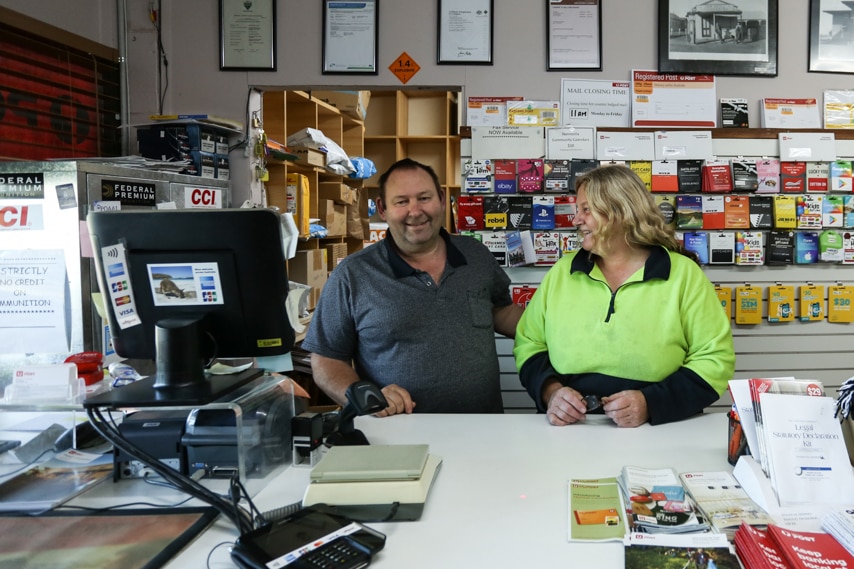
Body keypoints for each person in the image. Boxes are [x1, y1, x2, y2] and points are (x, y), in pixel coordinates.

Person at [513, 165, 735, 427]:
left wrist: (651, 403)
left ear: (620, 211)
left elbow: (715, 359)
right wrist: (551, 393)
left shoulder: (682, 275)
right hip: (570, 430)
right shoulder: (563, 272)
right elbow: (529, 343)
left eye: (586, 209)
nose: (576, 220)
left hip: (659, 430)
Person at [302, 158, 523, 415]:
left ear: (441, 199)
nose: (415, 211)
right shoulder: (352, 275)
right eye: (402, 201)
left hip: (483, 429)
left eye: (424, 198)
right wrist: (365, 397)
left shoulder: (475, 255)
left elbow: (500, 311)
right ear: (382, 209)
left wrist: (562, 328)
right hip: (397, 437)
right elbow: (326, 359)